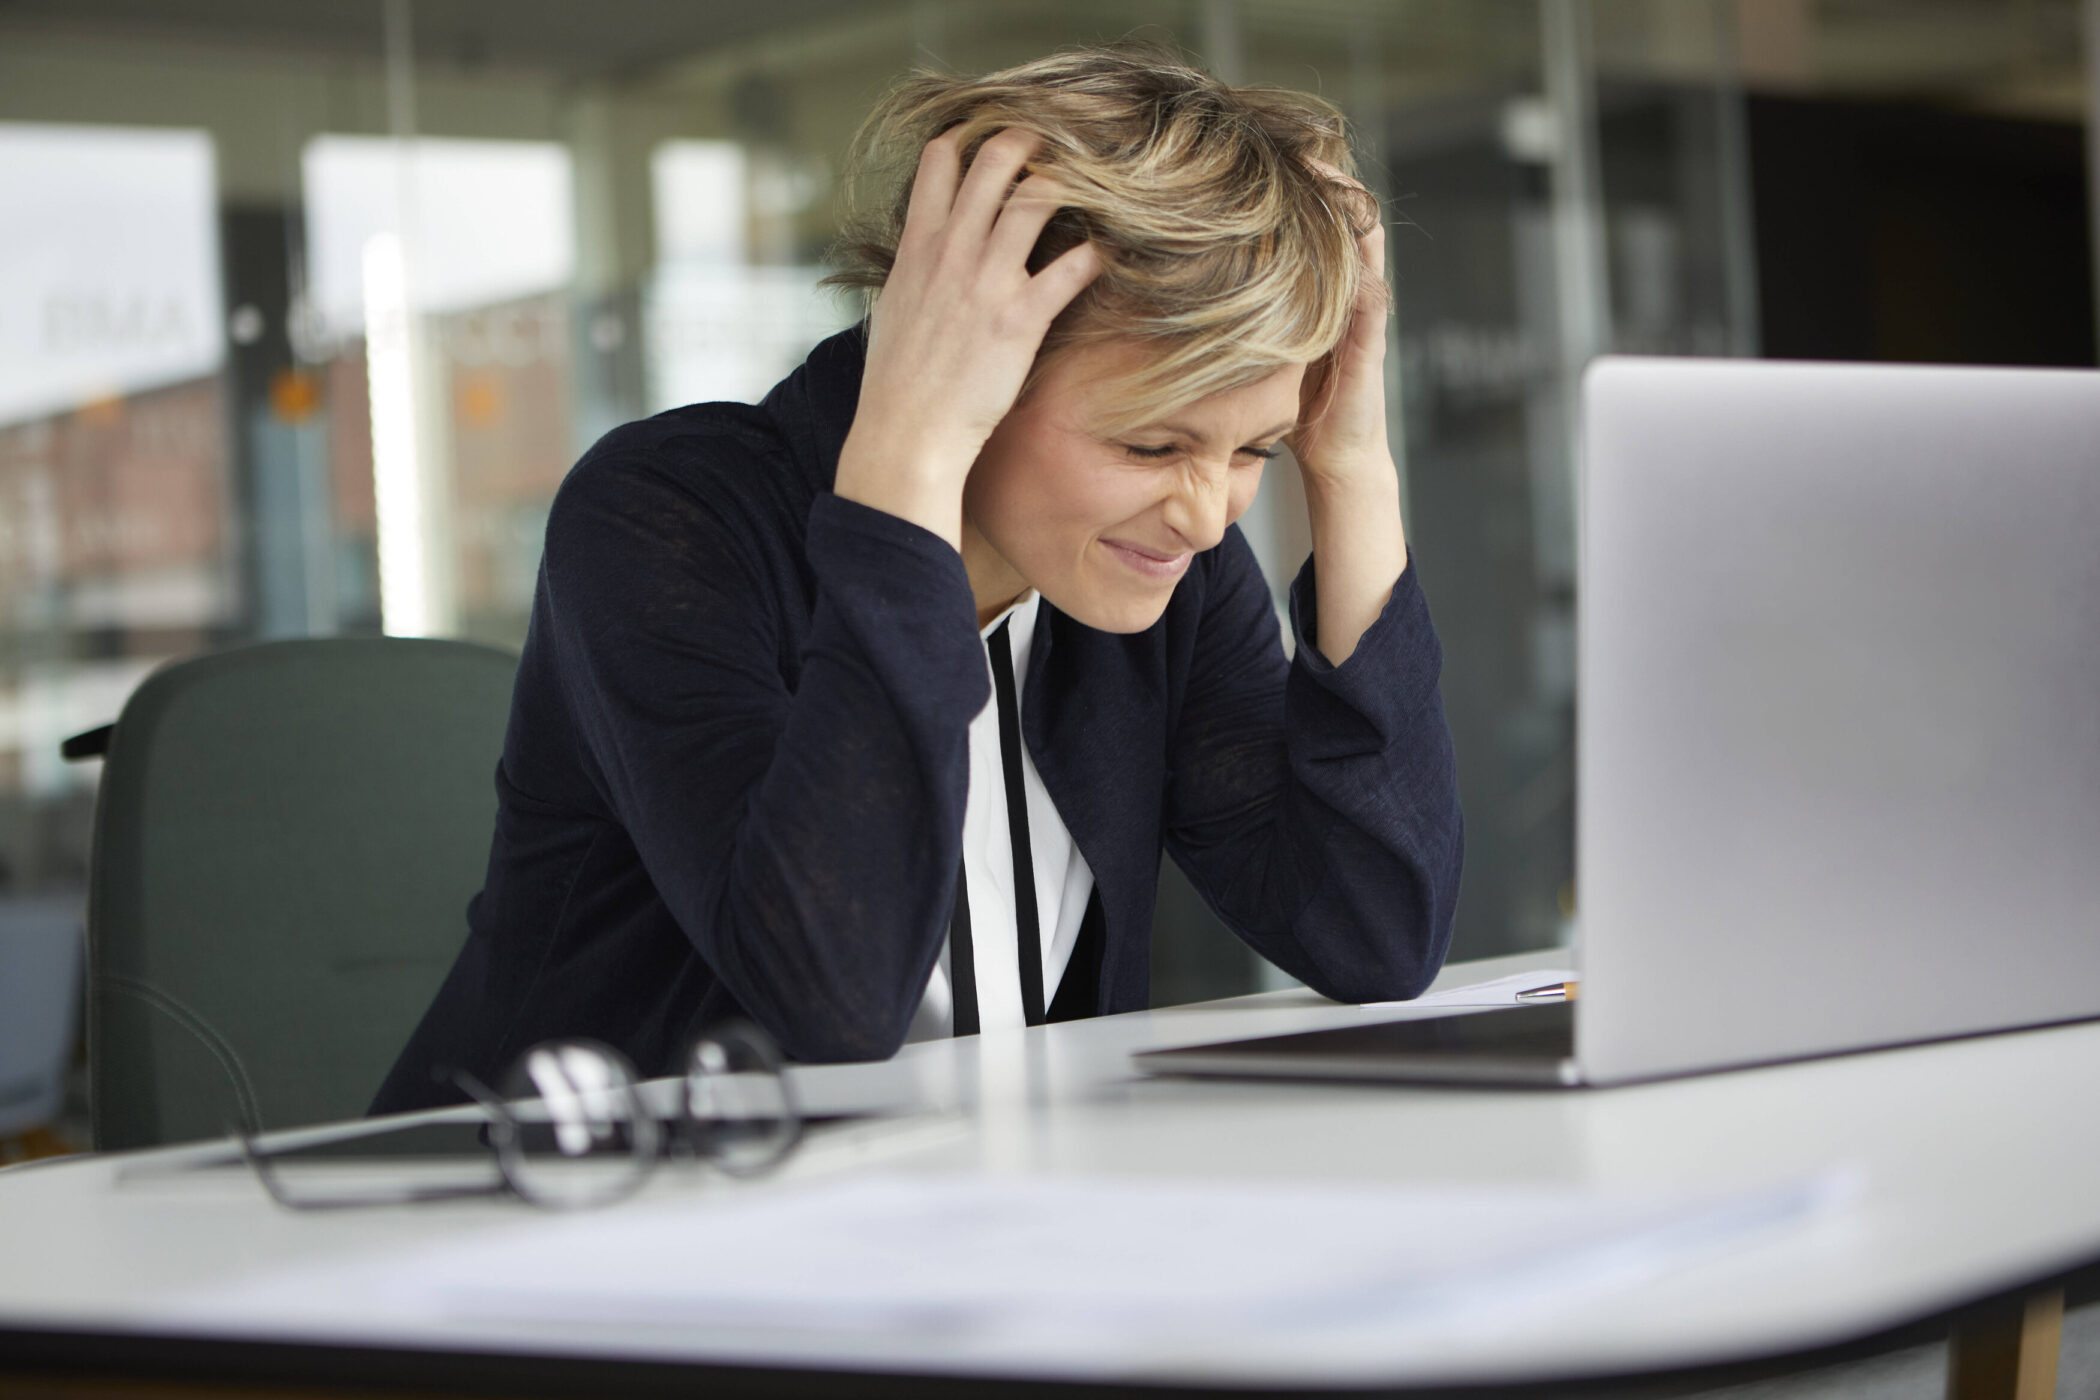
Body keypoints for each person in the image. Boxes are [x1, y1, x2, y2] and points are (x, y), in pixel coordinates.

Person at [371, 45, 1462, 1113]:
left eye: (1253, 451)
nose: (1207, 508)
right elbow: (833, 1000)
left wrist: (1350, 461)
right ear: (972, 356)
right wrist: (912, 454)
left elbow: (1373, 931)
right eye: (1149, 445)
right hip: (557, 1229)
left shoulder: (1159, 565)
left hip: (963, 1225)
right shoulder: (667, 516)